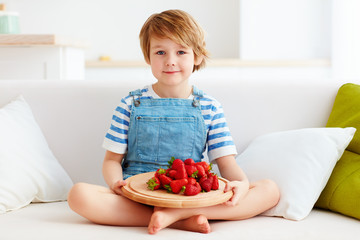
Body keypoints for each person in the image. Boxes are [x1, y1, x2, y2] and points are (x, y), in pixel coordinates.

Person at [67, 9, 280, 235]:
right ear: (148, 57)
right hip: (140, 195)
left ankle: (176, 214)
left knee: (270, 190)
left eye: (181, 51)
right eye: (160, 52)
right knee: (78, 194)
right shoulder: (130, 103)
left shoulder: (210, 106)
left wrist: (243, 184)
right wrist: (115, 183)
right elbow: (111, 160)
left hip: (192, 196)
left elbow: (227, 164)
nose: (170, 61)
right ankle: (179, 220)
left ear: (197, 56)